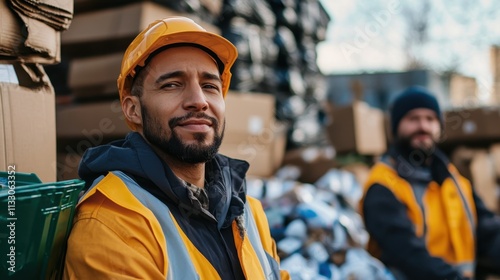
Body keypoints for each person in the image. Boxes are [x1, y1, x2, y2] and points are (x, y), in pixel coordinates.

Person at [63, 16, 290, 280]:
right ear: (133, 109)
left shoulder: (248, 210)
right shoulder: (111, 223)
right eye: (172, 84)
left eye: (209, 86)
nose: (199, 101)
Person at [360, 86, 500, 280]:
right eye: (413, 119)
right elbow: (406, 253)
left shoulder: (455, 180)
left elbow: (489, 231)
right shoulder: (384, 184)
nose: (423, 126)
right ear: (395, 128)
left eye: (430, 119)